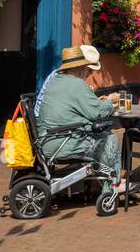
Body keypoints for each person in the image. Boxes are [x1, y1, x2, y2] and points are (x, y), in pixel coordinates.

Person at [34, 45, 125, 187]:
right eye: (87, 68)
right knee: (110, 139)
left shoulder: (55, 80)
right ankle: (113, 185)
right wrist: (111, 101)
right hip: (62, 142)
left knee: (102, 134)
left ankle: (102, 179)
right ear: (79, 68)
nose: (88, 72)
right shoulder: (76, 84)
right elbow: (96, 113)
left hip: (48, 139)